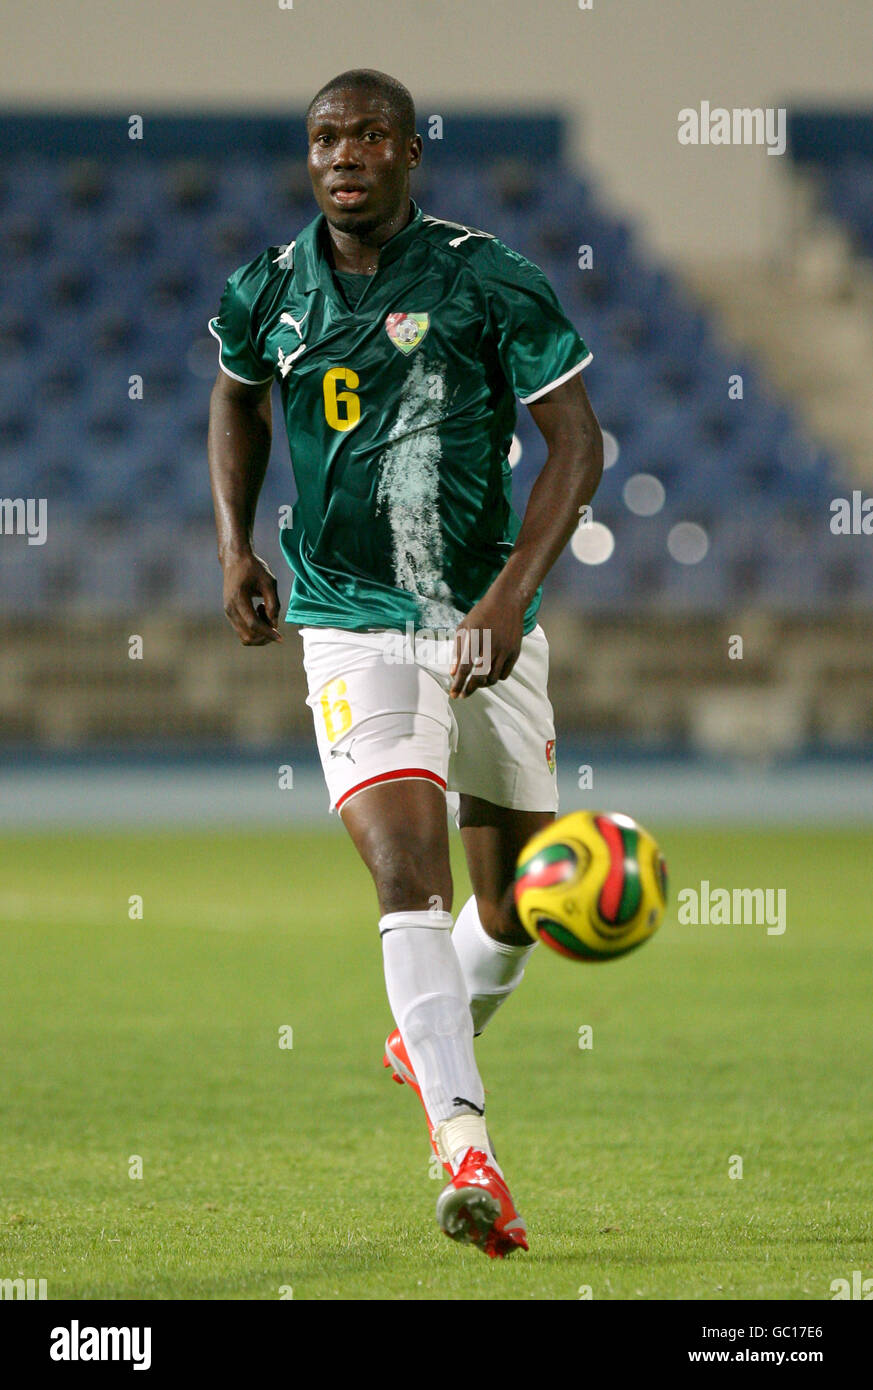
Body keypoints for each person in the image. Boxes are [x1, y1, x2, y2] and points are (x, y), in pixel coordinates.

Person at [207, 69, 603, 1259]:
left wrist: (508, 597)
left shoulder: (491, 279)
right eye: (326, 136)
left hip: (484, 617)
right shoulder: (268, 290)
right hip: (349, 619)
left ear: (411, 153)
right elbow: (236, 404)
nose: (344, 154)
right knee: (403, 868)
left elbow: (577, 447)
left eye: (369, 135)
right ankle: (467, 1144)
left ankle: (424, 1037)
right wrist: (233, 545)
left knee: (517, 905)